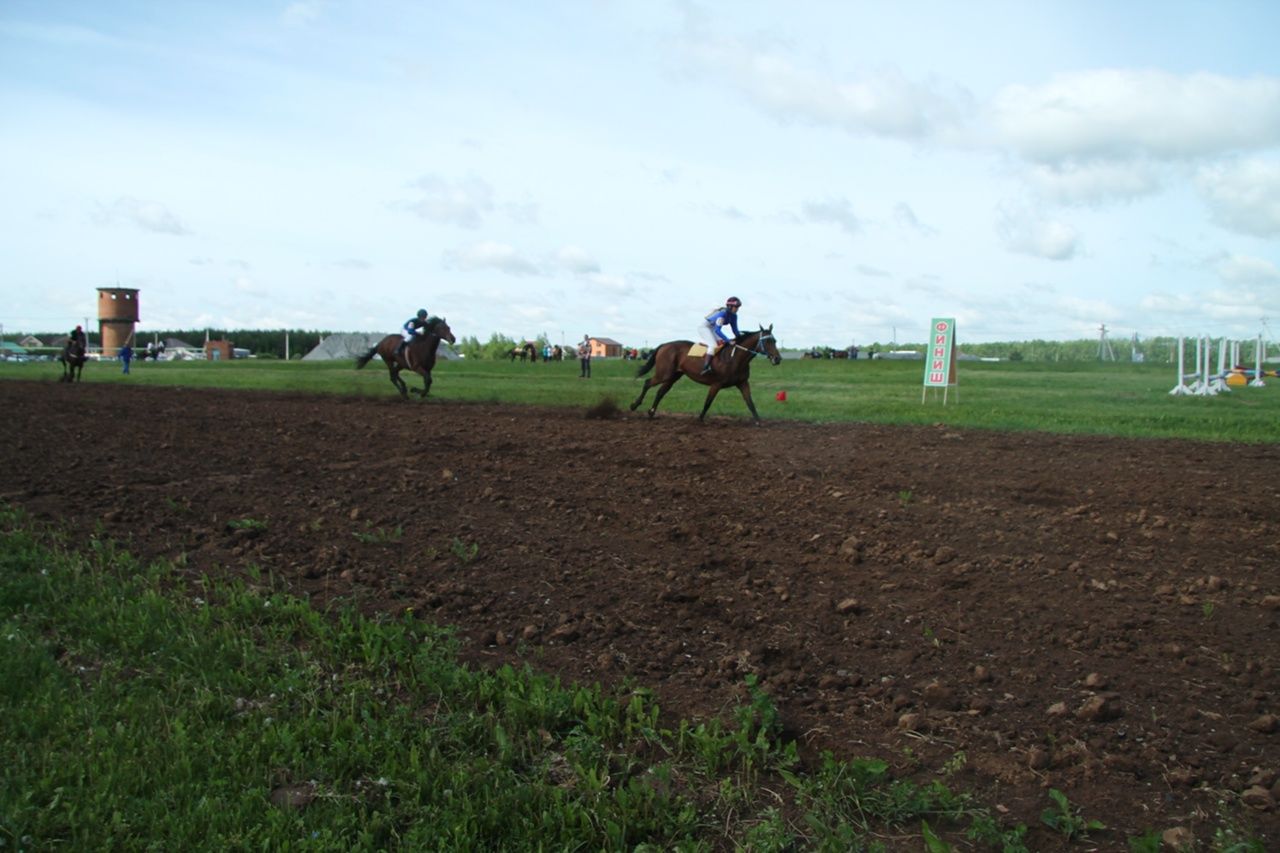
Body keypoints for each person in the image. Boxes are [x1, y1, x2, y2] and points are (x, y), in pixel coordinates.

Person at [698, 296, 742, 375]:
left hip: (713, 328)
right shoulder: (723, 314)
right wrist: (728, 341)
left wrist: (741, 337)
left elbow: (735, 330)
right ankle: (705, 367)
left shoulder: (734, 316)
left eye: (738, 307)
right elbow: (717, 330)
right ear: (730, 306)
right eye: (736, 307)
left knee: (722, 343)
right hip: (704, 327)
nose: (738, 309)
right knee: (713, 345)